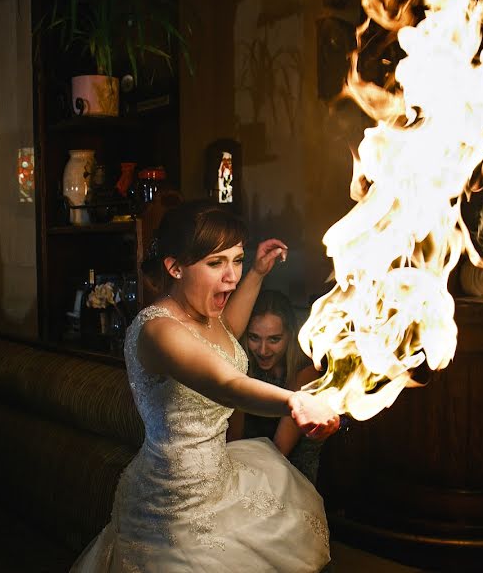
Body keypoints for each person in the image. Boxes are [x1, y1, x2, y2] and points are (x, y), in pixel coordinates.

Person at [72, 201, 340, 572]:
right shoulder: (158, 330)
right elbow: (225, 382)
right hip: (170, 502)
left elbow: (228, 333)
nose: (231, 276)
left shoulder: (208, 316)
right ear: (175, 267)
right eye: (216, 263)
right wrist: (296, 402)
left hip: (221, 479)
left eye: (237, 259)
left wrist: (258, 272)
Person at [228, 290, 324, 484]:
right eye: (254, 338)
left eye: (274, 339)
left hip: (291, 476)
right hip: (244, 467)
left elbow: (280, 449)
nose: (263, 350)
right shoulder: (241, 368)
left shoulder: (305, 373)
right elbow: (234, 440)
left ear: (290, 335)